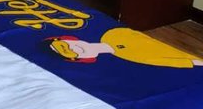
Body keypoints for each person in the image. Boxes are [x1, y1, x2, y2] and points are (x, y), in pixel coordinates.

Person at [46, 29, 203, 68]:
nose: (74, 48)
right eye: (70, 52)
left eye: (65, 44)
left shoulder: (112, 34)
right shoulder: (134, 59)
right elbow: (189, 62)